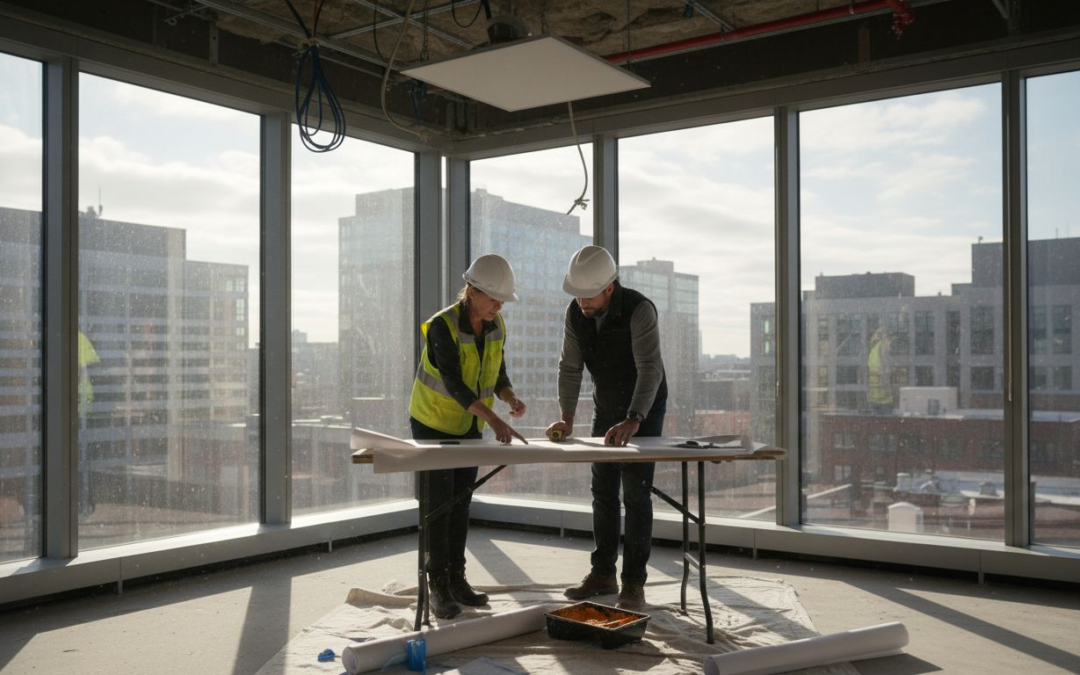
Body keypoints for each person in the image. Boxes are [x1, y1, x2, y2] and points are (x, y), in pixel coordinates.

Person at [546, 245, 667, 610]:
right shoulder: (575, 312)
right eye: (577, 294)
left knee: (635, 494)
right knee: (602, 490)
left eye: (589, 294)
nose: (582, 301)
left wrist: (634, 419)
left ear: (610, 287)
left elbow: (650, 367)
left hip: (643, 410)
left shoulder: (639, 309)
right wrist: (567, 418)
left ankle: (633, 583)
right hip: (606, 406)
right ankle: (602, 574)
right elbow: (570, 367)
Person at [408, 254, 528, 619]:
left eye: (502, 299)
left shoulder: (496, 325)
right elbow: (455, 385)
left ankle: (457, 580)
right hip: (432, 423)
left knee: (460, 503)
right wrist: (495, 421)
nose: (499, 305)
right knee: (438, 507)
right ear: (472, 291)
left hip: (470, 425)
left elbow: (498, 373)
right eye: (493, 298)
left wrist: (510, 398)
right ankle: (438, 585)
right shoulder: (443, 326)